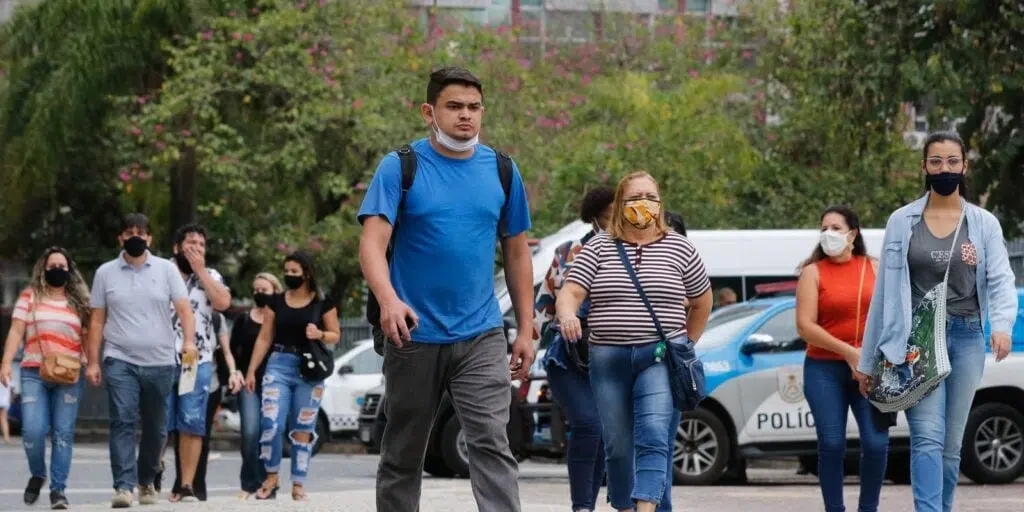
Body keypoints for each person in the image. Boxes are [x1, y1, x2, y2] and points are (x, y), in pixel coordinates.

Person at [358, 66, 534, 512]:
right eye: (454, 106)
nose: (465, 116)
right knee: (403, 452)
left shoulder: (502, 170)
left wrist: (528, 328)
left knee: (493, 444)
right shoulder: (401, 166)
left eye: (474, 108)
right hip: (412, 333)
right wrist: (388, 300)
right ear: (429, 112)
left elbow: (517, 254)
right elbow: (372, 245)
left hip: (480, 333)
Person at [856, 131, 1018, 512]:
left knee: (949, 444)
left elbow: (1000, 279)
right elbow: (883, 298)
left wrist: (1002, 326)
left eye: (951, 162)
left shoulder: (983, 223)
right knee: (926, 436)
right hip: (914, 342)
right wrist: (867, 361)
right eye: (935, 162)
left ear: (964, 166)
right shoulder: (902, 222)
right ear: (924, 167)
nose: (944, 169)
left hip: (965, 338)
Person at [556, 172, 713, 512]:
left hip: (658, 356)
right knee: (618, 445)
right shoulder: (598, 246)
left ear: (660, 203)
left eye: (650, 196)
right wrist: (567, 314)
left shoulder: (680, 247)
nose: (643, 203)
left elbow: (702, 301)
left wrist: (686, 343)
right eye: (634, 197)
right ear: (620, 205)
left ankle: (645, 509)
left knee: (655, 434)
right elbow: (571, 291)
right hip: (608, 360)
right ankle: (625, 507)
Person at [85, 213, 197, 508]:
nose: (135, 236)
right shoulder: (105, 273)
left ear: (149, 238)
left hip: (160, 361)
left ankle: (146, 480)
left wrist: (188, 342)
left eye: (141, 232)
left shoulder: (166, 270)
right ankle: (123, 486)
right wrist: (93, 362)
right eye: (129, 232)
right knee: (122, 421)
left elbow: (185, 310)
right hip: (119, 358)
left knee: (156, 427)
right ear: (120, 238)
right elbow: (97, 321)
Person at [796, 206, 889, 512]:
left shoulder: (874, 267)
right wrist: (848, 351)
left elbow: (892, 314)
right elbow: (805, 326)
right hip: (824, 368)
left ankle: (868, 508)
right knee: (832, 444)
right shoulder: (812, 271)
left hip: (869, 369)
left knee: (876, 443)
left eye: (836, 228)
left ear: (853, 234)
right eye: (824, 228)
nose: (828, 234)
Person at [245, 251, 341, 501]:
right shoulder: (275, 301)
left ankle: (298, 483)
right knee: (271, 423)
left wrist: (319, 334)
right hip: (278, 365)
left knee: (303, 428)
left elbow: (335, 335)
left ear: (307, 273)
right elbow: (265, 337)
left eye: (294, 272)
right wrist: (252, 370)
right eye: (286, 271)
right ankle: (271, 475)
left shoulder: (322, 301)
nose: (289, 276)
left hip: (309, 370)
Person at [1, 247, 90, 509]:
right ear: (43, 269)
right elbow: (17, 330)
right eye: (53, 265)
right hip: (33, 371)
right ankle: (38, 473)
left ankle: (58, 491)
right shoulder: (29, 297)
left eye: (63, 266)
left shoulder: (79, 302)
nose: (58, 270)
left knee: (63, 434)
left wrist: (91, 360)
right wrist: (6, 363)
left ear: (70, 271)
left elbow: (89, 335)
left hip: (70, 373)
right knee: (33, 430)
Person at [160, 223, 234, 502]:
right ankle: (154, 473)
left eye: (202, 245)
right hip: (161, 356)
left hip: (196, 358)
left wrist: (201, 270)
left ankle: (186, 484)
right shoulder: (161, 271)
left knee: (191, 422)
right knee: (161, 421)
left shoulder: (210, 275)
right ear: (177, 247)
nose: (197, 249)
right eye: (191, 243)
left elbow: (224, 302)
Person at [231, 273, 281, 499]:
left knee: (268, 431)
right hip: (248, 383)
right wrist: (236, 374)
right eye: (257, 290)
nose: (259, 294)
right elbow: (233, 351)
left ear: (275, 293)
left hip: (274, 381)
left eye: (265, 290)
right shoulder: (243, 320)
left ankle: (267, 483)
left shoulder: (280, 319)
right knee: (250, 432)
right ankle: (249, 482)